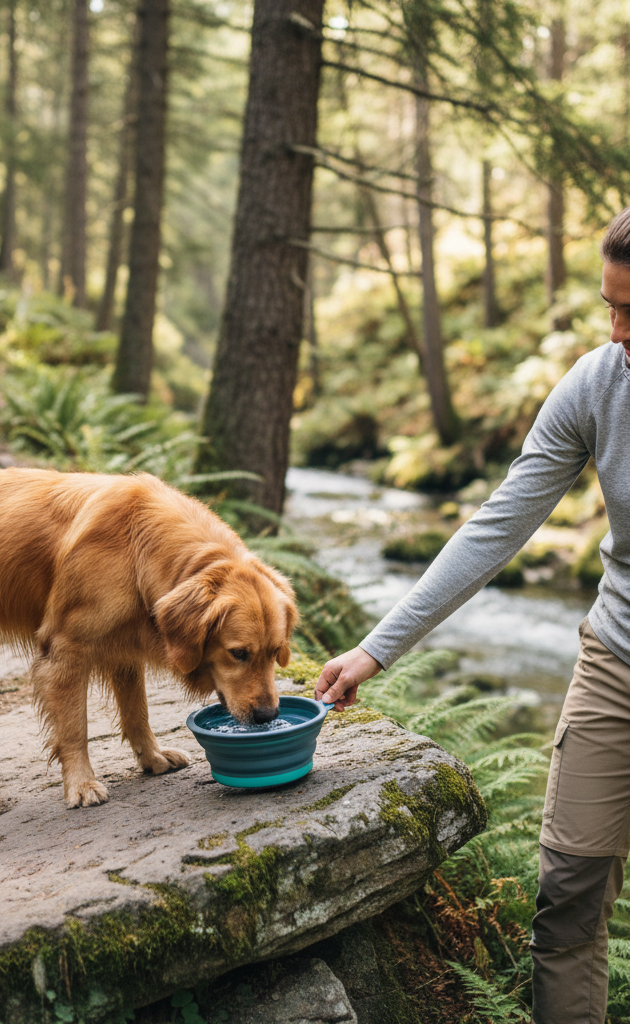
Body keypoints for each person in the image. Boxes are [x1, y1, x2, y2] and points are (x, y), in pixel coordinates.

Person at [314, 206, 630, 1024]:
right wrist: (374, 651)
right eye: (610, 307)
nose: (620, 330)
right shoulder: (599, 382)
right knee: (567, 897)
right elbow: (497, 524)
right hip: (616, 664)